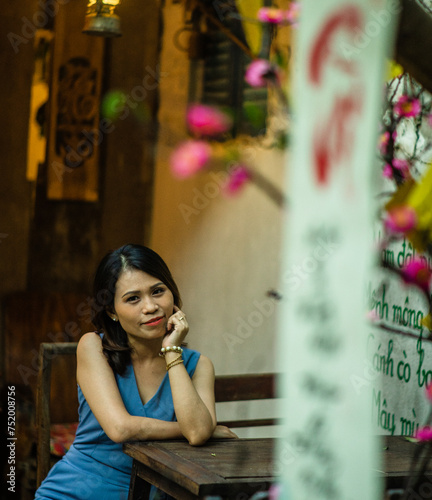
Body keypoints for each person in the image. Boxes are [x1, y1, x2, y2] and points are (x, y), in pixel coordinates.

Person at [35, 244, 237, 500]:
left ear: (172, 294)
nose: (150, 306)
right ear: (111, 311)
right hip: (77, 491)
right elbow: (120, 429)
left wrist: (172, 351)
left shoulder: (199, 365)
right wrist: (206, 430)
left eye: (158, 291)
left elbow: (197, 433)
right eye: (133, 298)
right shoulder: (93, 347)